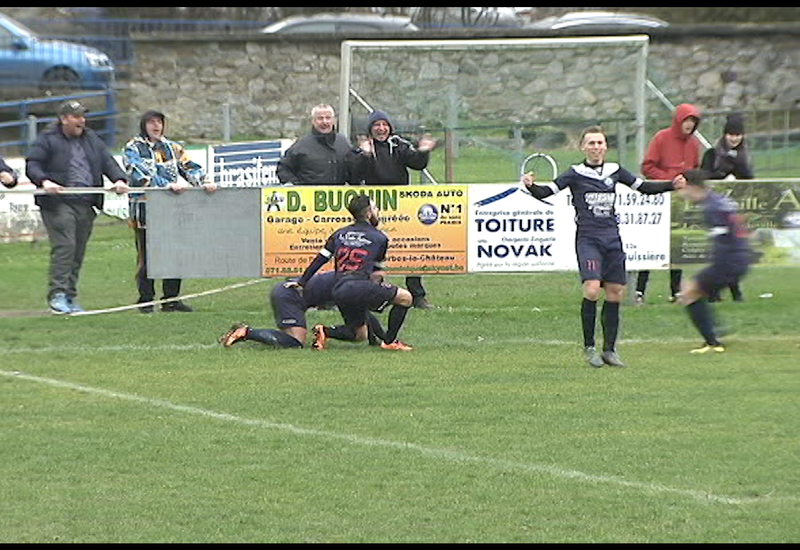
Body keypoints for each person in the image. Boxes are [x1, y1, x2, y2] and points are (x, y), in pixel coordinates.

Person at [521, 125, 683, 368]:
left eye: (600, 143)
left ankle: (610, 350)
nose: (596, 147)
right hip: (588, 239)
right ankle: (589, 347)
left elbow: (643, 187)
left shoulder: (615, 170)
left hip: (612, 239)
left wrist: (672, 184)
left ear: (606, 146)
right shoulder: (574, 173)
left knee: (616, 291)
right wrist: (531, 186)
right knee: (592, 289)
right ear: (583, 147)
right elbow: (547, 191)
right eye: (591, 143)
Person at [25, 99, 129, 314]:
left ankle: (70, 296)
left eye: (83, 116)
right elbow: (32, 164)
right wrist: (45, 181)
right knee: (66, 246)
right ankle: (57, 295)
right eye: (76, 117)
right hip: (58, 203)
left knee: (78, 251)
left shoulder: (91, 138)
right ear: (64, 119)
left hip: (86, 203)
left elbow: (107, 161)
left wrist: (119, 179)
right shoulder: (48, 139)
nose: (81, 121)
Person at [290, 193, 414, 351]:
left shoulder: (339, 234)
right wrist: (378, 285)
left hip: (338, 288)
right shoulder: (379, 237)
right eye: (375, 208)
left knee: (359, 334)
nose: (378, 211)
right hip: (358, 285)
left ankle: (325, 331)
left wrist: (302, 281)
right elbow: (376, 272)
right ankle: (391, 341)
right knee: (405, 298)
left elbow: (321, 258)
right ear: (368, 213)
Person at [123, 110, 215, 313]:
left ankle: (171, 299)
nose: (156, 126)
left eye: (159, 122)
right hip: (145, 211)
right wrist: (166, 185)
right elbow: (138, 174)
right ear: (143, 125)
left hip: (173, 211)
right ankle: (146, 300)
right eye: (151, 122)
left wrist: (204, 181)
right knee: (147, 257)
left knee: (176, 254)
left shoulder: (172, 147)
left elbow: (190, 167)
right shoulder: (133, 148)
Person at [352, 109, 438, 309]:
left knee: (411, 249)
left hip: (401, 206)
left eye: (384, 125)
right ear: (370, 129)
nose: (381, 129)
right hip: (374, 208)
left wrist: (424, 151)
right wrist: (365, 155)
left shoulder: (398, 145)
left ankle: (417, 295)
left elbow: (416, 163)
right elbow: (355, 174)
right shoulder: (363, 148)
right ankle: (374, 292)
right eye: (376, 125)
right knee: (373, 250)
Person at [676, 169, 753, 353]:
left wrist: (716, 268)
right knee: (694, 291)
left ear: (691, 186)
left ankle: (713, 342)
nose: (680, 192)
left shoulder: (711, 207)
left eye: (681, 187)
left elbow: (723, 242)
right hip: (741, 256)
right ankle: (715, 333)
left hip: (730, 260)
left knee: (688, 292)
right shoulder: (719, 200)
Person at [219, 270, 390, 349]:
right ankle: (245, 332)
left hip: (292, 293)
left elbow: (362, 315)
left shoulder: (352, 279)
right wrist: (386, 340)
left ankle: (325, 332)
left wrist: (377, 341)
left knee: (360, 333)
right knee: (295, 342)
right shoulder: (354, 285)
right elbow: (365, 312)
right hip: (288, 295)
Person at [637, 103, 703, 305]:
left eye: (693, 121)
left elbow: (695, 169)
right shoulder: (661, 138)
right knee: (650, 242)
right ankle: (639, 289)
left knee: (676, 243)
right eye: (686, 120)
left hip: (681, 200)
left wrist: (690, 181)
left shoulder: (694, 144)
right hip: (659, 198)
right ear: (678, 121)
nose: (689, 125)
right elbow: (647, 166)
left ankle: (675, 291)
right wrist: (669, 181)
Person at [701, 113, 754, 302]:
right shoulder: (712, 153)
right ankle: (713, 291)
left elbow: (749, 178)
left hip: (734, 210)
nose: (734, 138)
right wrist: (722, 175)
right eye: (731, 134)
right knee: (718, 252)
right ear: (724, 134)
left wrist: (737, 164)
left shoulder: (744, 155)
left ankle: (735, 290)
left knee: (733, 252)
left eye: (738, 135)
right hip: (715, 209)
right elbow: (704, 174)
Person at [276, 104, 360, 185]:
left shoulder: (343, 142)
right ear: (313, 121)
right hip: (309, 197)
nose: (324, 122)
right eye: (320, 118)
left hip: (337, 198)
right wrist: (296, 186)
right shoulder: (301, 145)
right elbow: (283, 168)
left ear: (334, 120)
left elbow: (353, 172)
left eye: (328, 118)